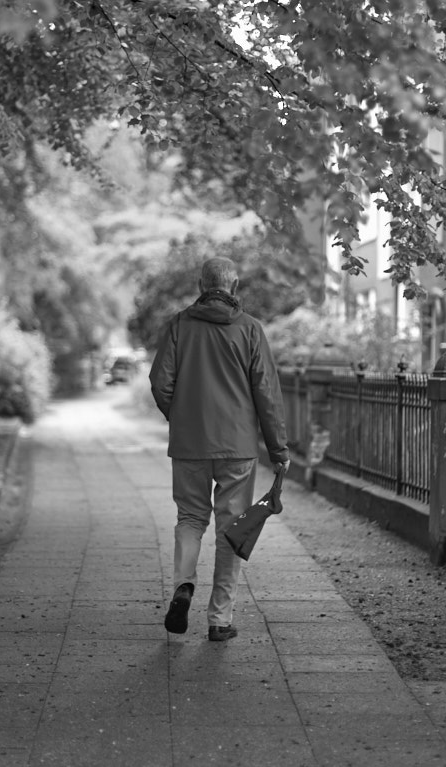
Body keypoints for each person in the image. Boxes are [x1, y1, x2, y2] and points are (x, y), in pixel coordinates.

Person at [149, 256, 290, 641]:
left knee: (190, 519)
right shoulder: (249, 329)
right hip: (238, 447)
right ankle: (220, 620)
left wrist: (180, 418)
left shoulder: (179, 325)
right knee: (231, 529)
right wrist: (278, 450)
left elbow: (160, 382)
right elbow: (267, 393)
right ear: (235, 286)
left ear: (200, 285)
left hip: (190, 443)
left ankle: (183, 585)